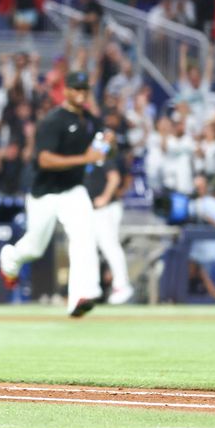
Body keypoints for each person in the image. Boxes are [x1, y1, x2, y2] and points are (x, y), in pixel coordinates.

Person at [0, 71, 107, 317]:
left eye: (84, 89)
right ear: (66, 91)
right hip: (44, 192)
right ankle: (10, 259)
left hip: (73, 190)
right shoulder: (53, 120)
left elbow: (102, 147)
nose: (80, 94)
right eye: (76, 89)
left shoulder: (91, 120)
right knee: (34, 248)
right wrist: (86, 158)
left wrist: (106, 144)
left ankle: (82, 295)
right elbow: (45, 160)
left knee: (84, 237)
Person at [83, 130, 134, 305]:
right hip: (95, 210)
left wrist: (105, 197)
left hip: (106, 209)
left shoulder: (105, 157)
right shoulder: (91, 159)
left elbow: (114, 178)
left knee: (109, 246)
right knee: (91, 248)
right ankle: (92, 287)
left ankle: (122, 285)